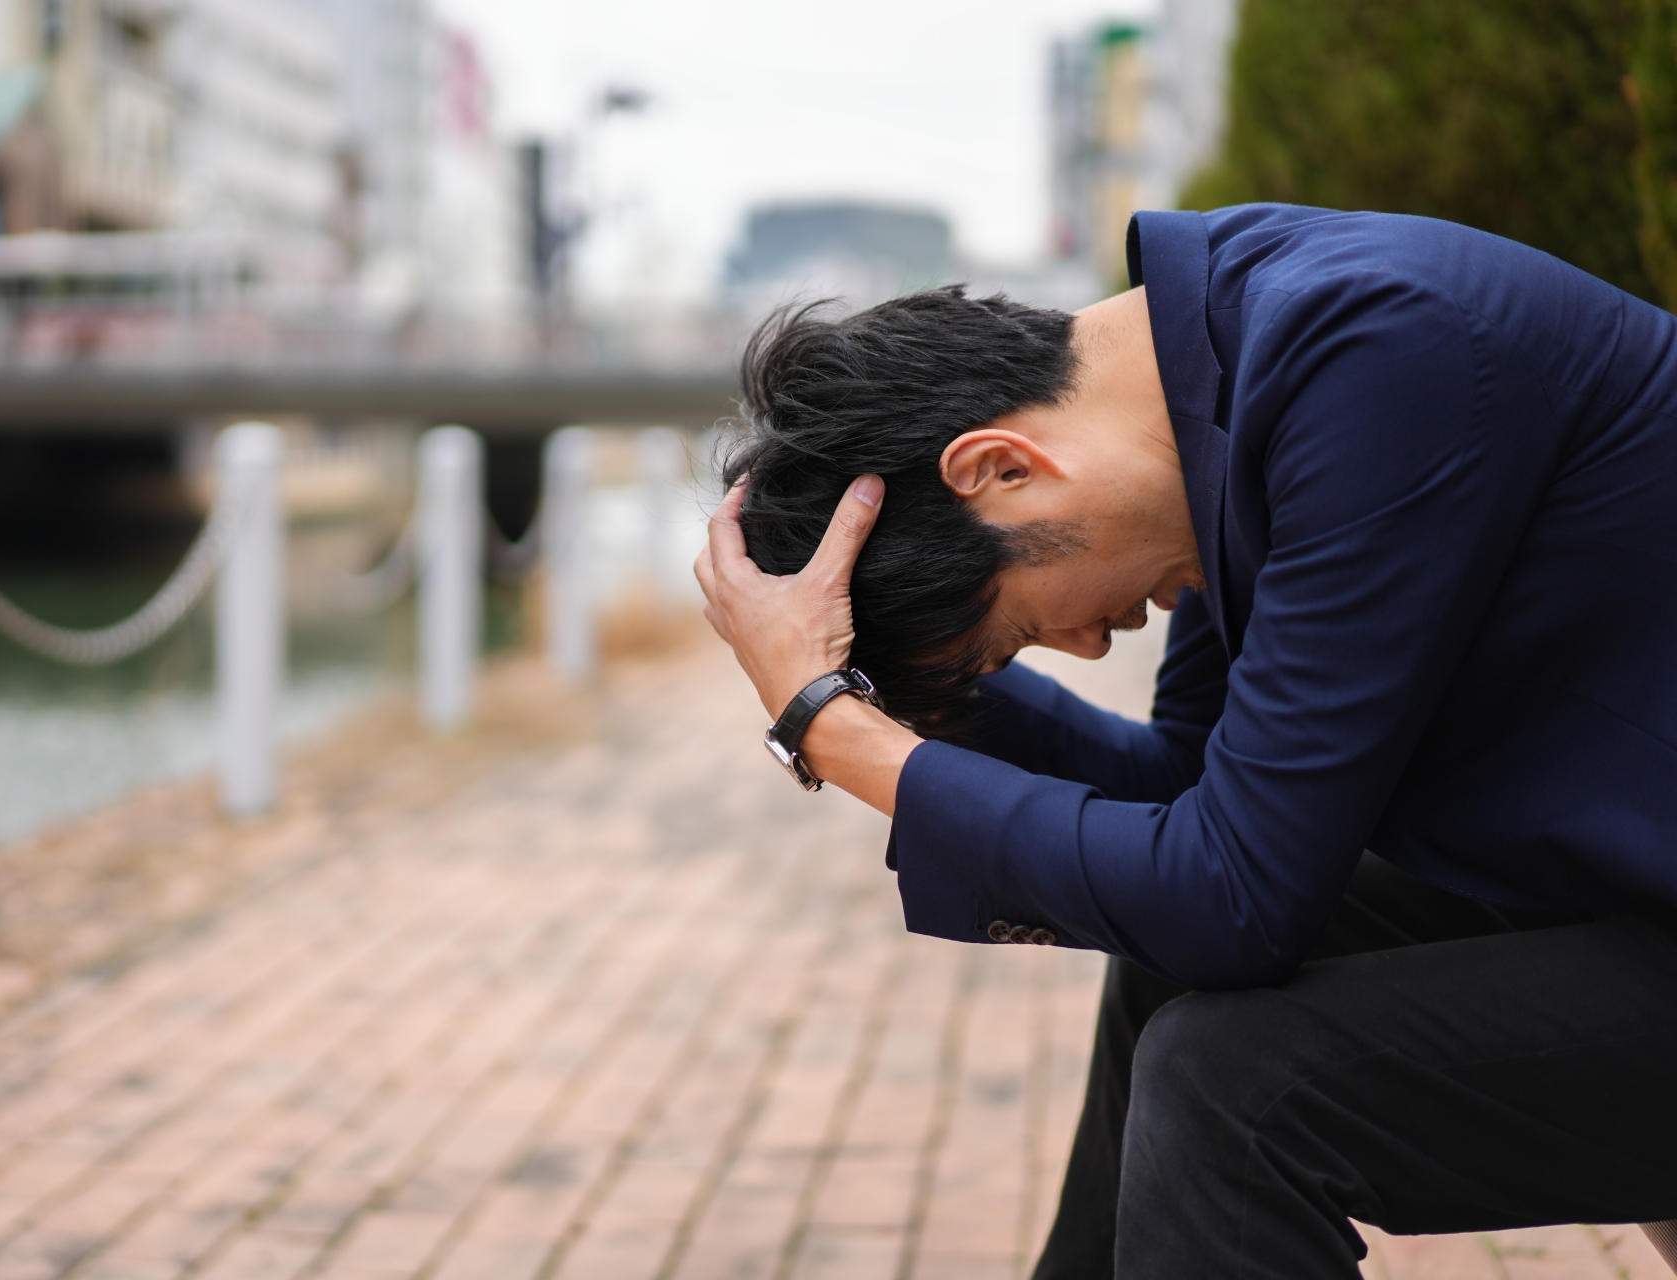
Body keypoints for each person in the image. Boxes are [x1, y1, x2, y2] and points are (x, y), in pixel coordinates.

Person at [693, 203, 1677, 1280]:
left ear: (1001, 468)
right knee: (1160, 980)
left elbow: (1232, 901)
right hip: (1624, 889)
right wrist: (867, 693)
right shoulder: (1229, 378)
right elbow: (1189, 797)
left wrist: (833, 732)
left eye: (1019, 632)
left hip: (1636, 900)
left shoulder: (1377, 356)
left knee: (1237, 1085)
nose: (1082, 643)